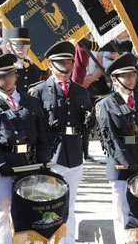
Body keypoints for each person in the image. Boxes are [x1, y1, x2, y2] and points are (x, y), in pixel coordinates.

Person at [0, 54, 51, 244]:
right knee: (2, 213)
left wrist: (42, 162)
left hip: (27, 163)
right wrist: (0, 164)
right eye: (1, 76)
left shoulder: (31, 102)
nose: (6, 79)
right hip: (0, 167)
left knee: (29, 210)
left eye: (9, 74)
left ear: (15, 75)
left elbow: (43, 135)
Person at [28, 41, 92, 244]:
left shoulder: (81, 91)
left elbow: (85, 124)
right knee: (47, 204)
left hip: (73, 153)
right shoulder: (37, 92)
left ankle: (67, 240)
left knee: (69, 203)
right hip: (50, 154)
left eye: (68, 61)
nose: (65, 65)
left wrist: (90, 122)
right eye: (60, 62)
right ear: (50, 65)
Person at [95, 53, 138, 244]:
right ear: (115, 80)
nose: (131, 79)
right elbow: (110, 140)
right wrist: (128, 163)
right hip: (121, 166)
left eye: (132, 75)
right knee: (121, 209)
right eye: (126, 76)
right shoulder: (105, 105)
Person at [4, 27, 44, 93]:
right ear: (9, 46)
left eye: (26, 44)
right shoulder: (3, 70)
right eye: (18, 44)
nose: (22, 48)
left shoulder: (34, 69)